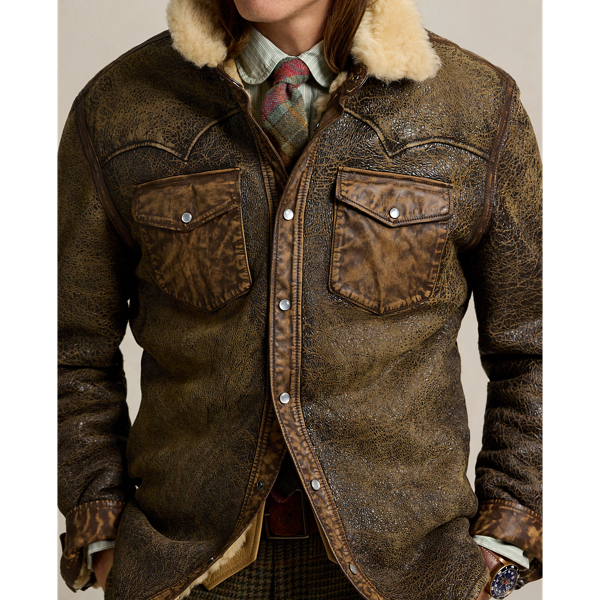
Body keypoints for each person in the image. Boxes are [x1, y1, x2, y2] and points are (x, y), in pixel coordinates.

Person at [58, 0, 542, 599]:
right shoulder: (122, 106)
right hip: (190, 570)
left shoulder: (473, 104)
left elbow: (539, 344)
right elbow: (68, 346)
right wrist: (101, 533)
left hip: (406, 572)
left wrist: (504, 543)